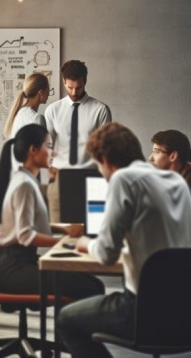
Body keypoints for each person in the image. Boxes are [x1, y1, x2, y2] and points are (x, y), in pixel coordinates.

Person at [57, 123, 191, 357]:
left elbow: (107, 253)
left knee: (66, 319)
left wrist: (85, 243)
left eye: (98, 165)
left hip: (143, 311)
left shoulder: (123, 179)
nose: (101, 172)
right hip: (183, 310)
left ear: (106, 160)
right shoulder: (177, 182)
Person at [0, 124, 104, 300]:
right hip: (13, 271)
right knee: (90, 287)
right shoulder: (24, 185)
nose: (54, 153)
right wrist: (65, 243)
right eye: (49, 146)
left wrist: (64, 230)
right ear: (33, 150)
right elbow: (25, 236)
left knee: (94, 284)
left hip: (20, 264)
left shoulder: (27, 181)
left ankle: (69, 325)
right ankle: (67, 326)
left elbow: (28, 225)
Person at [44, 60, 112, 222]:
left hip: (93, 177)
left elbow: (106, 147)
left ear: (85, 81)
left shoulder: (100, 110)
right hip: (60, 177)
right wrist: (48, 166)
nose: (74, 92)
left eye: (79, 87)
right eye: (70, 87)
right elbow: (47, 144)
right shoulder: (53, 110)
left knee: (94, 230)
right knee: (60, 232)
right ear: (63, 81)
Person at [3, 72, 50, 138]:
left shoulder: (19, 113)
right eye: (48, 91)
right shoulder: (37, 118)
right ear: (41, 93)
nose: (48, 94)